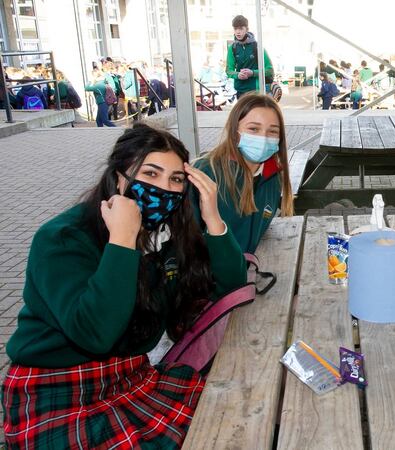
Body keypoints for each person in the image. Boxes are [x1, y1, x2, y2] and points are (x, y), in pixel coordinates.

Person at [2, 123, 248, 449]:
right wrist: (122, 241)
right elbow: (95, 333)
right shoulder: (64, 238)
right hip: (55, 387)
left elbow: (231, 286)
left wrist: (213, 219)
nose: (165, 188)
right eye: (150, 174)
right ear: (119, 178)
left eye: (176, 179)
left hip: (129, 377)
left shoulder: (165, 234)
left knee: (228, 417)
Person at [193, 94, 294, 255]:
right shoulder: (207, 171)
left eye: (273, 131)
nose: (263, 137)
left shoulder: (273, 176)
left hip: (252, 269)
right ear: (235, 130)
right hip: (211, 276)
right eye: (253, 129)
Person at [226, 15, 274, 99]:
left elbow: (270, 70)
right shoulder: (232, 48)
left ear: (247, 29)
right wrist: (238, 75)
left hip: (256, 91)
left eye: (241, 28)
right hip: (240, 92)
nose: (237, 32)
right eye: (235, 29)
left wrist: (252, 73)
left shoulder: (257, 46)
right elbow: (228, 70)